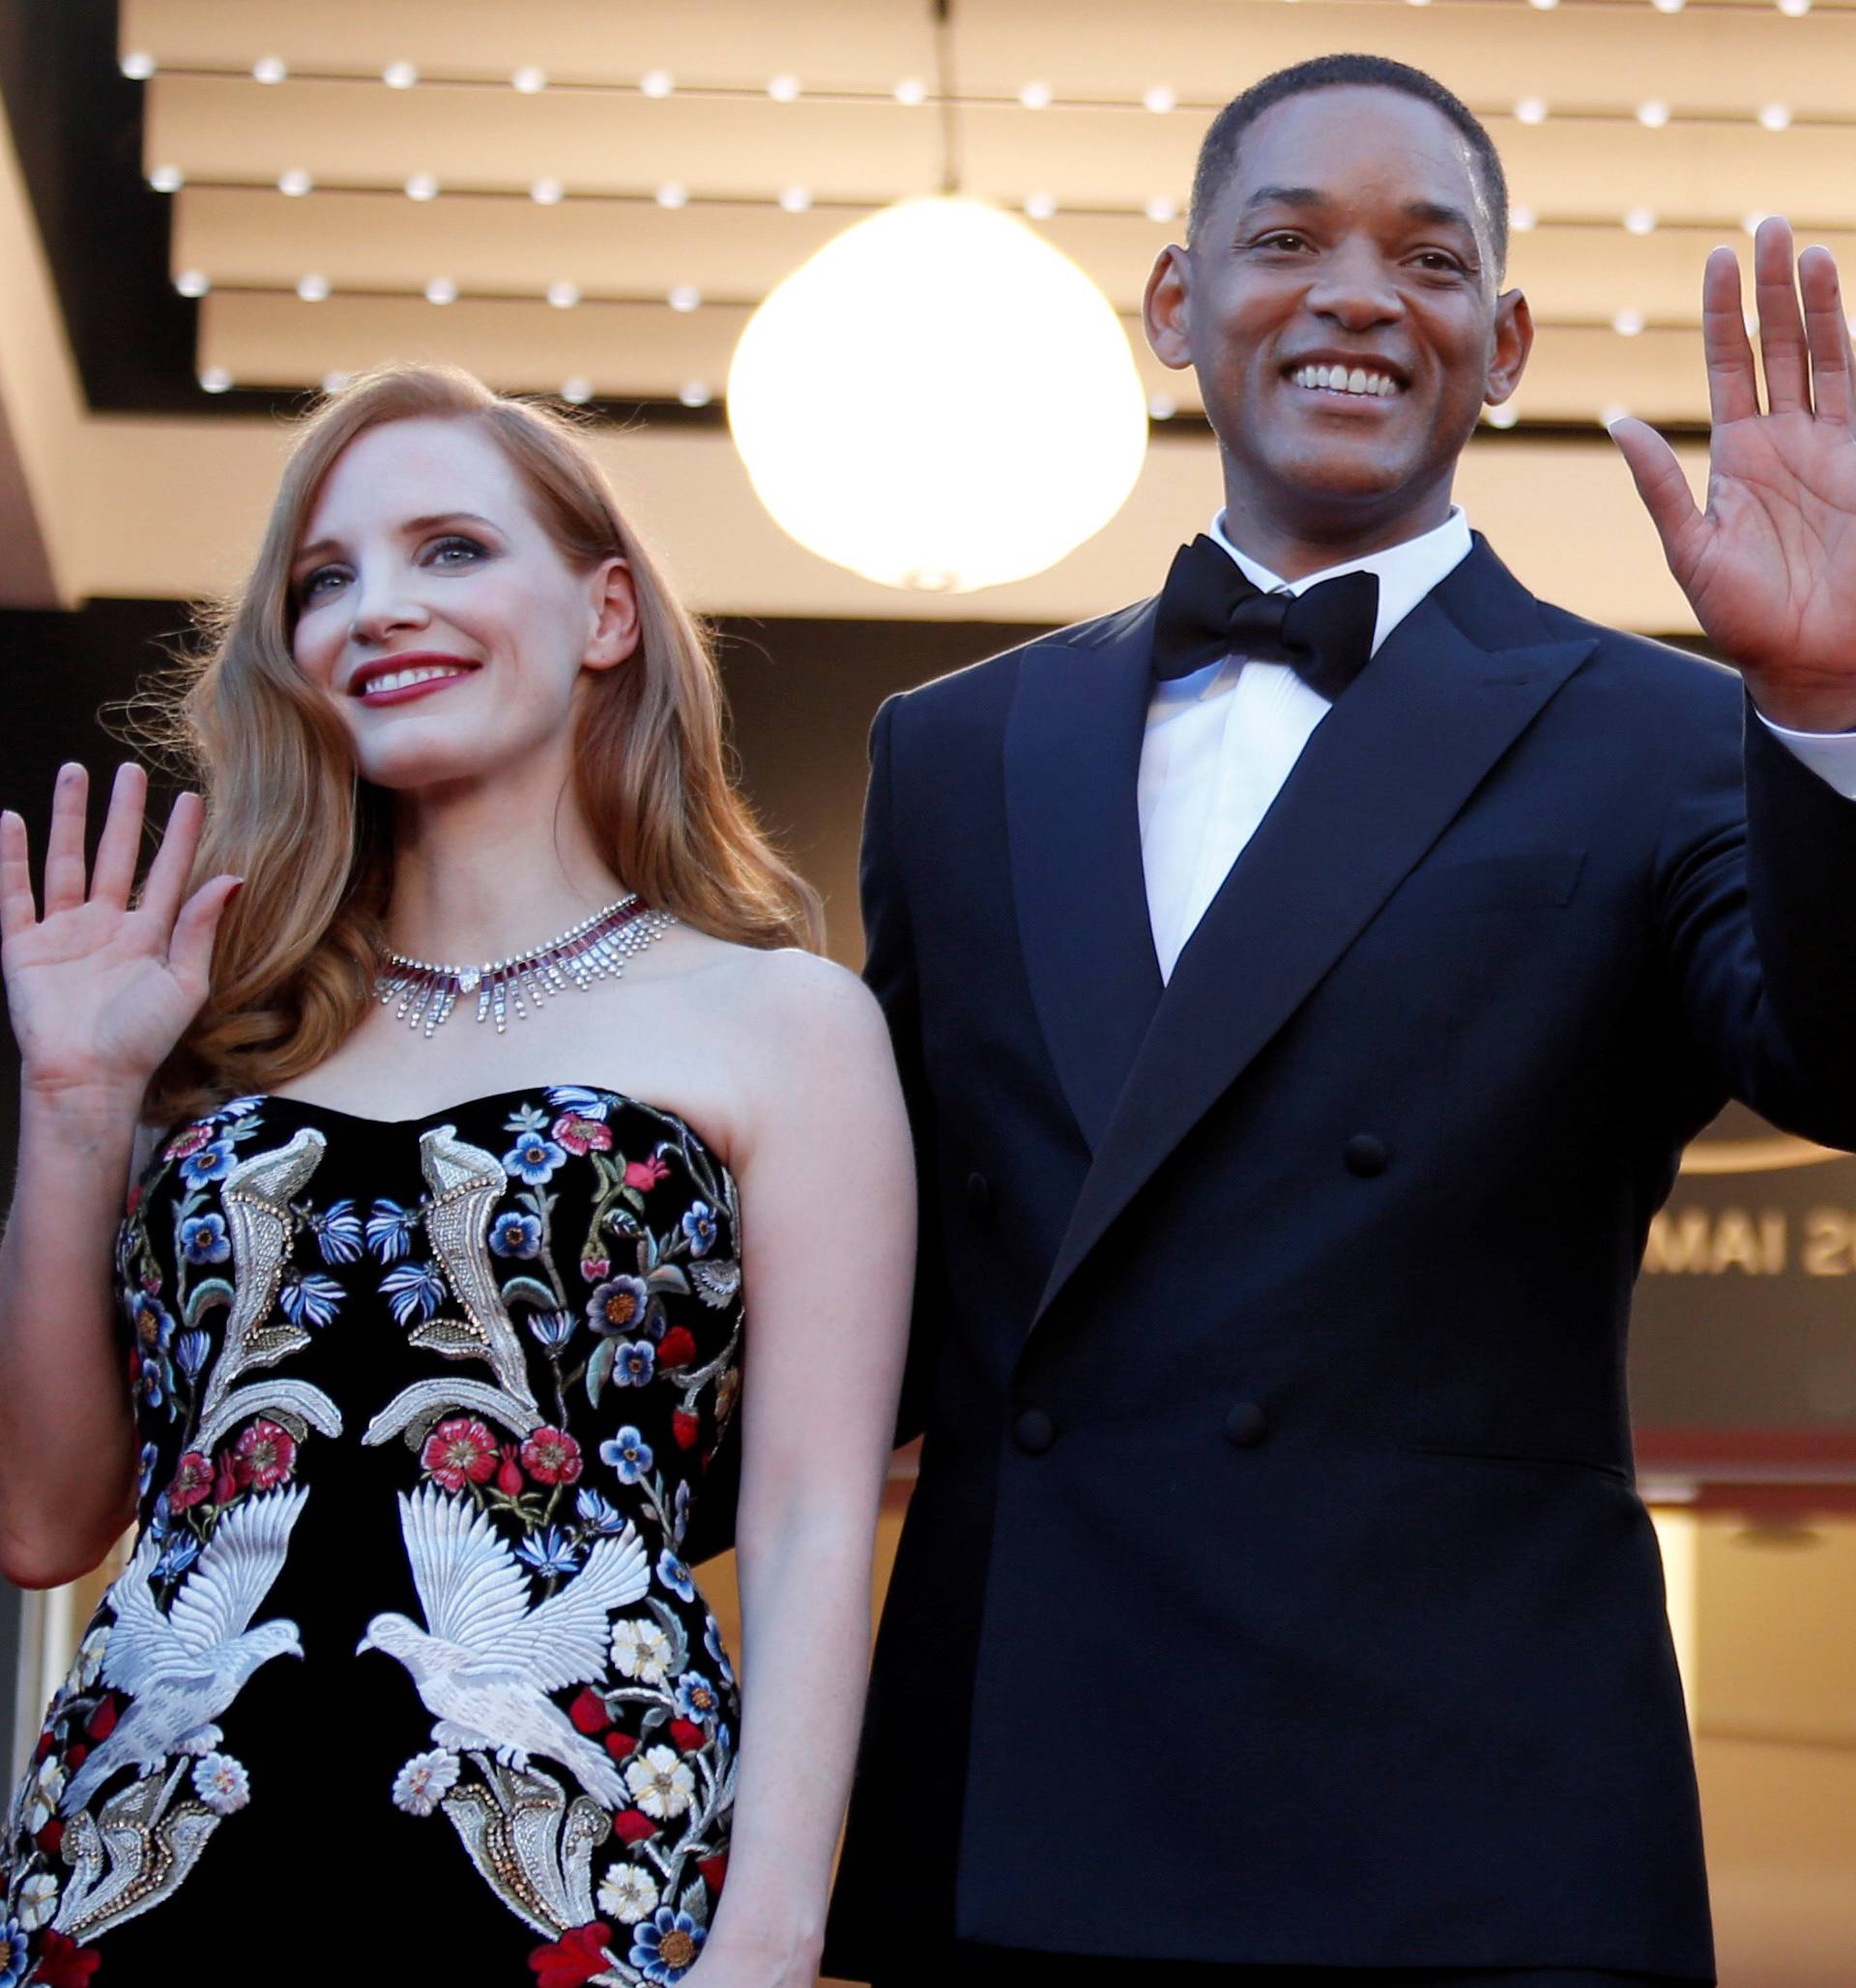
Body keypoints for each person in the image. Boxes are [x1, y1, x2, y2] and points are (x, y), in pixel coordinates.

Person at [823, 52, 1856, 1988]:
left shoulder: (1658, 732)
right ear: (1175, 305)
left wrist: (1821, 700)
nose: (1359, 294)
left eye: (1428, 256)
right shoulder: (953, 750)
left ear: (1507, 336)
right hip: (1026, 1802)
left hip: (1460, 1823)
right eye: (1286, 240)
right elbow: (876, 1287)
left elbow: (1843, 1056)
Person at [0, 363, 914, 1987]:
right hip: (136, 1878)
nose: (377, 609)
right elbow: (48, 1516)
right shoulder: (210, 1031)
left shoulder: (783, 1024)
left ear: (609, 612)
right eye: (324, 580)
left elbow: (809, 1520)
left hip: (577, 1873)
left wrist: (770, 1933)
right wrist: (78, 1102)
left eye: (450, 550)